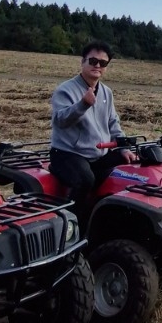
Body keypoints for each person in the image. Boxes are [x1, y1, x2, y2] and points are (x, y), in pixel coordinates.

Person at [49, 39, 126, 216]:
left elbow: (113, 122)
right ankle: (73, 221)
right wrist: (82, 105)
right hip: (68, 153)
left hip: (98, 153)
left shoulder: (106, 92)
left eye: (103, 63)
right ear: (82, 62)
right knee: (85, 180)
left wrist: (123, 148)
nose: (97, 65)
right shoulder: (66, 90)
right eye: (93, 61)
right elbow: (60, 120)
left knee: (130, 167)